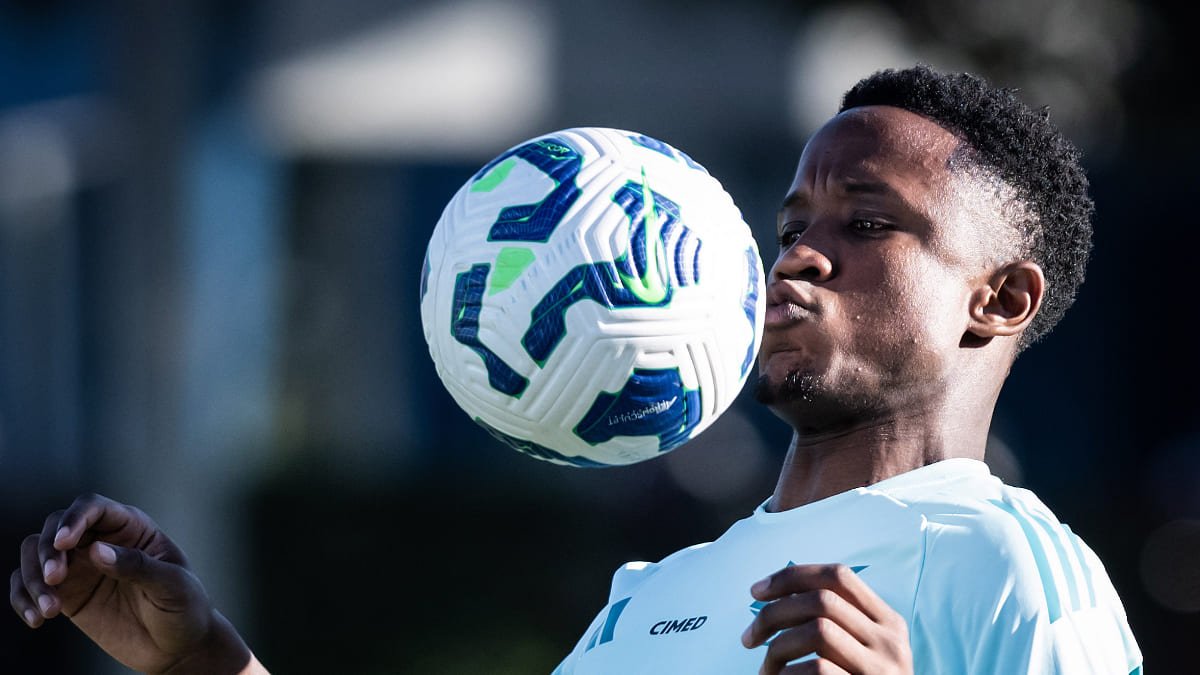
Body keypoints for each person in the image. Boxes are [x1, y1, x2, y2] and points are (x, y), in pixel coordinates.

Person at [9, 64, 1141, 674]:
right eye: (793, 215)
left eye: (870, 221)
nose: (799, 247)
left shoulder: (1018, 574)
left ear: (999, 298)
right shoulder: (650, 603)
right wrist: (198, 660)